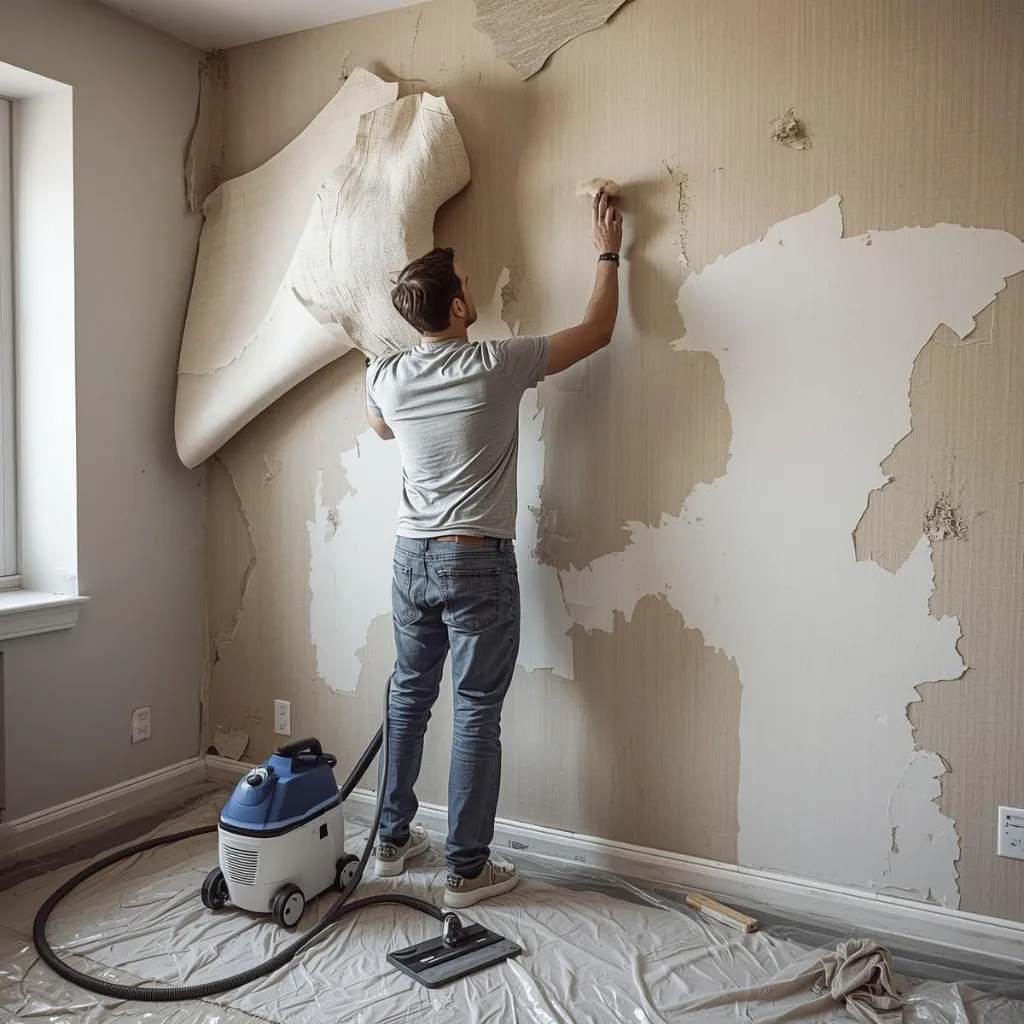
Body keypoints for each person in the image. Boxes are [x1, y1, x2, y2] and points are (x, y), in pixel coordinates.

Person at [364, 190, 624, 909]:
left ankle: (390, 843)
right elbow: (598, 331)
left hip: (410, 557)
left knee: (409, 696)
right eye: (466, 287)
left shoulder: (384, 374)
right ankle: (466, 871)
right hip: (474, 558)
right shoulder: (494, 363)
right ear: (455, 308)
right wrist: (608, 251)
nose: (473, 291)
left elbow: (381, 428)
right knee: (475, 709)